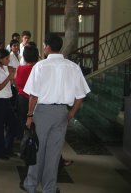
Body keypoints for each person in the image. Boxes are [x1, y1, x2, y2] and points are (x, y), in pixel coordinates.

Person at [21, 33, 90, 193]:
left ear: (48, 47)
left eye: (45, 45)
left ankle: (31, 185)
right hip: (61, 113)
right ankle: (49, 188)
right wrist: (71, 113)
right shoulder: (73, 67)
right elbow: (81, 96)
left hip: (43, 112)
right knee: (54, 152)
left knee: (37, 149)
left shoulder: (41, 66)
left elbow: (33, 95)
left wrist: (30, 116)